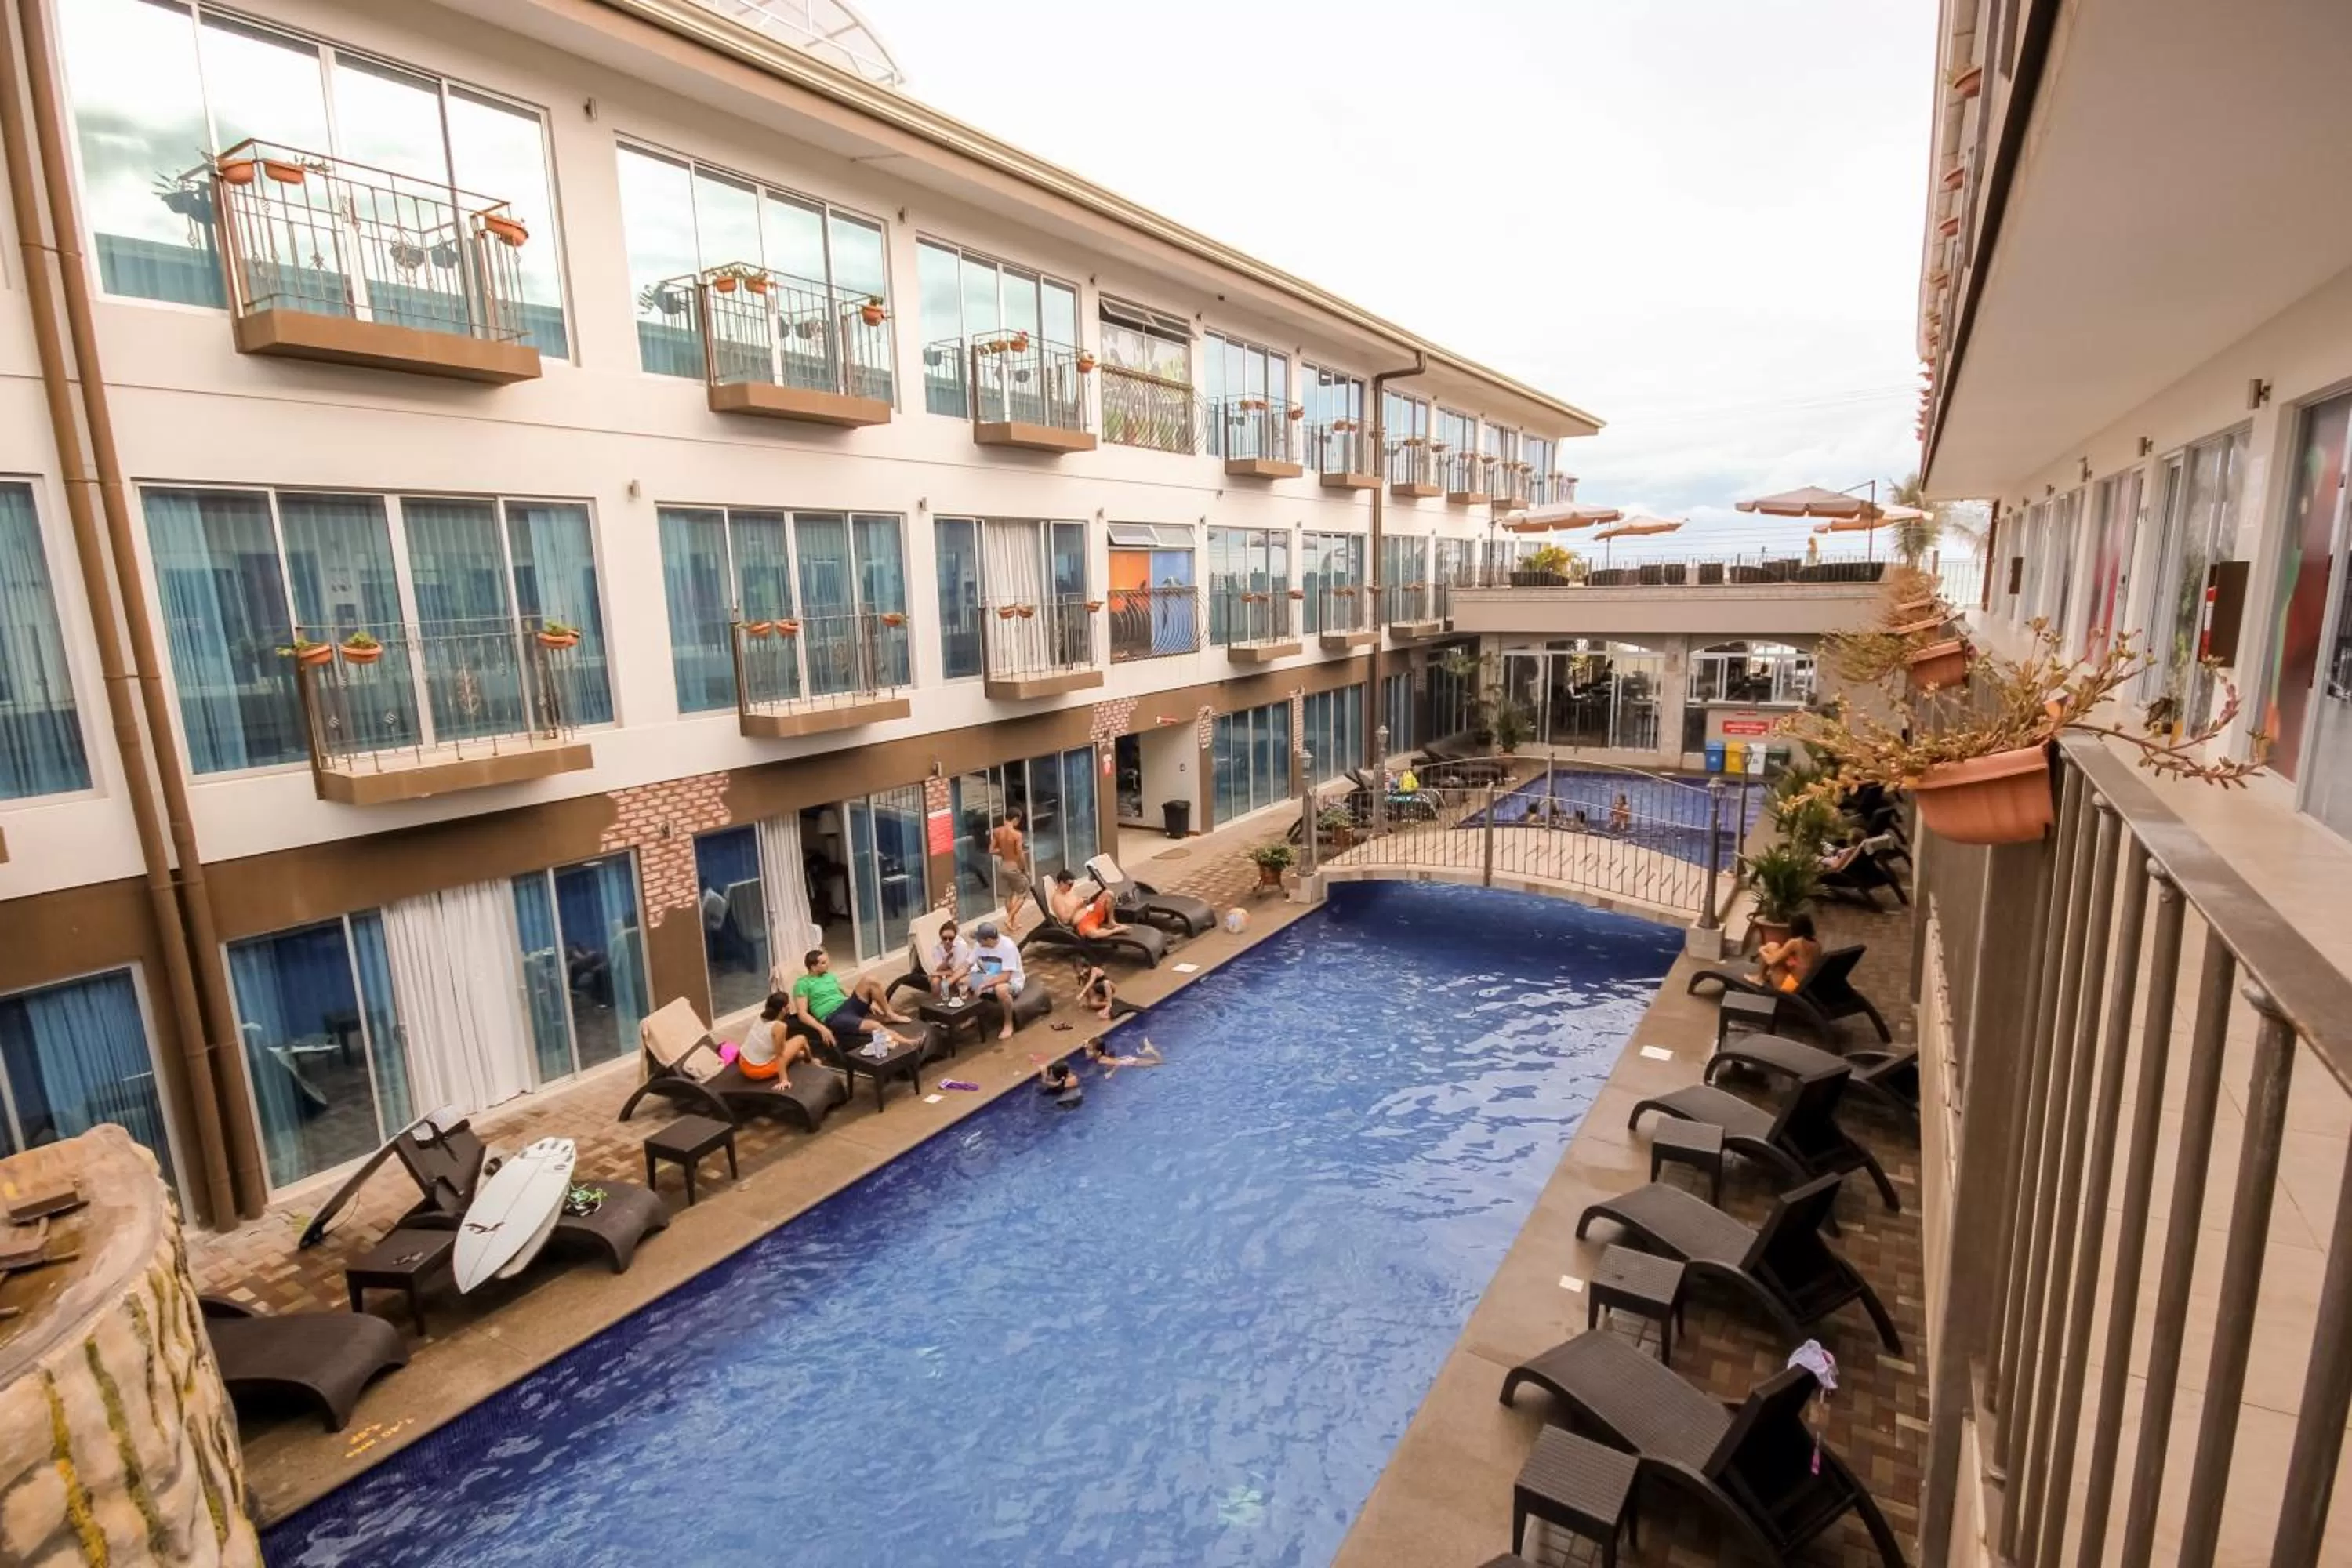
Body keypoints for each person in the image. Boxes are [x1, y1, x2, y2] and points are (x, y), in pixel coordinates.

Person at [789, 949, 922, 1057]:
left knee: (870, 980)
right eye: (823, 963)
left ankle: (890, 1014)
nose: (828, 964)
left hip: (847, 1006)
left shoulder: (829, 976)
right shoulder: (802, 984)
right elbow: (802, 1014)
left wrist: (868, 1004)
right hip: (834, 1016)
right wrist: (823, 1028)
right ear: (813, 967)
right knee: (873, 1025)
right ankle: (909, 1043)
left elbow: (845, 991)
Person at [736, 991, 814, 1085]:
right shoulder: (780, 1027)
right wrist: (784, 1080)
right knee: (801, 1039)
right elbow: (780, 1055)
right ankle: (811, 1061)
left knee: (798, 1052)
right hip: (758, 1071)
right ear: (784, 1009)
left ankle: (801, 1056)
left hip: (744, 1064)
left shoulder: (761, 1016)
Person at [969, 922, 1027, 1040]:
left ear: (989, 939)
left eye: (980, 940)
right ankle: (972, 1015)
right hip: (990, 976)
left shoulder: (1007, 946)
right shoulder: (980, 945)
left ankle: (1008, 1024)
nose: (978, 942)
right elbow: (968, 964)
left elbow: (1005, 976)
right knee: (964, 981)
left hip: (1011, 982)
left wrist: (983, 985)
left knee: (1000, 989)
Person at [1754, 912, 1820, 993]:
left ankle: (1759, 977)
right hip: (1807, 986)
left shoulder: (1796, 942)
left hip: (1791, 987)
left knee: (1771, 947)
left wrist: (1761, 950)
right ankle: (1761, 977)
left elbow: (1771, 962)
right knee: (1774, 946)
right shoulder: (1817, 944)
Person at [990, 810, 1032, 933]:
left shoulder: (997, 831)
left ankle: (1012, 924)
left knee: (1009, 896)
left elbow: (991, 850)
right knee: (1023, 893)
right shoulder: (1017, 835)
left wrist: (1003, 851)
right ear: (1015, 819)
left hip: (1002, 867)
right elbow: (1020, 854)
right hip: (1013, 867)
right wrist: (1026, 869)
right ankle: (1009, 919)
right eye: (1018, 820)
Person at [927, 917, 978, 997]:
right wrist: (946, 959)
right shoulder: (937, 947)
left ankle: (965, 1005)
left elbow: (958, 971)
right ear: (940, 936)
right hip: (951, 971)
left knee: (960, 983)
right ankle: (939, 1005)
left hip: (967, 971)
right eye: (944, 938)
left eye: (951, 938)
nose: (947, 941)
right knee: (935, 982)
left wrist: (938, 973)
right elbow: (939, 968)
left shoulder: (961, 946)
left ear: (955, 937)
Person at [1083, 1036, 1163, 1073]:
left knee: (1160, 1063)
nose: (1086, 1051)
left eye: (1089, 1050)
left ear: (1098, 1053)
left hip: (1130, 1062)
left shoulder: (1101, 1060)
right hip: (1127, 1060)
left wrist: (1111, 1073)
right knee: (1158, 1063)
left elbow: (1117, 1064)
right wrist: (1087, 1044)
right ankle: (1147, 1050)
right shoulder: (1102, 1054)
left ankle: (1150, 1049)